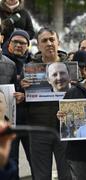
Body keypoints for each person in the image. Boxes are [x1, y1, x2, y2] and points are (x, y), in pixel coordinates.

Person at [21, 27, 71, 180]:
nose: (49, 43)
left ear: (58, 42)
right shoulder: (29, 68)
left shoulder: (71, 67)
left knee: (68, 175)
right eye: (44, 40)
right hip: (38, 129)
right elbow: (21, 99)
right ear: (38, 44)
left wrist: (78, 86)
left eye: (52, 39)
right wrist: (21, 90)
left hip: (67, 129)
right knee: (41, 176)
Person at [1, 30, 31, 180]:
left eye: (23, 43)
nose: (19, 45)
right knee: (11, 161)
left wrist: (25, 95)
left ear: (28, 46)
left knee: (35, 161)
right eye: (15, 42)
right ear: (9, 43)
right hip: (9, 121)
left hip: (30, 120)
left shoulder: (34, 64)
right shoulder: (4, 63)